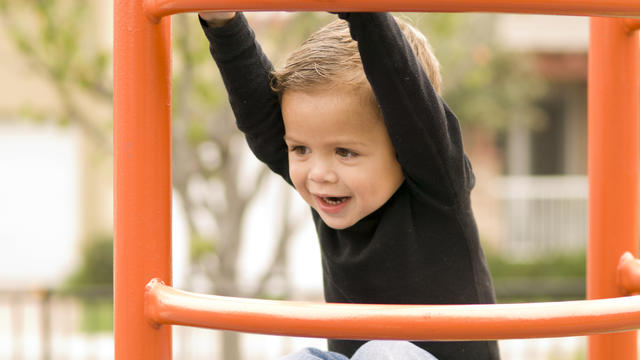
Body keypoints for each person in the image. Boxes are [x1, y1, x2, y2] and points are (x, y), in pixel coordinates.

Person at [198, 11, 500, 360]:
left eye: (345, 152)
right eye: (300, 149)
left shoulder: (437, 189)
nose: (318, 173)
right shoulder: (331, 192)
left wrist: (365, 13)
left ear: (404, 146)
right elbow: (259, 118)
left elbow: (409, 105)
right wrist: (223, 22)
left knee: (384, 353)